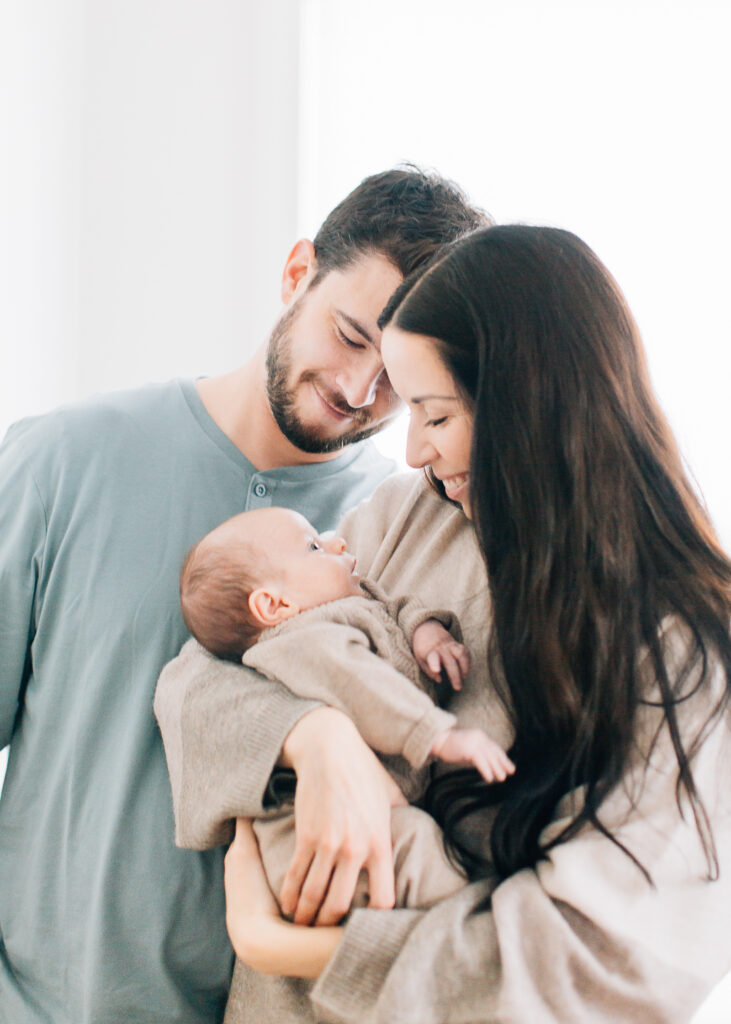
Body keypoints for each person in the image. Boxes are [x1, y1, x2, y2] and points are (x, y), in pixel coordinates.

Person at [162, 225, 731, 1022]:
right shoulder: (405, 520)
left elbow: (596, 966)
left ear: (525, 408)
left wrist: (284, 944)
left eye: (431, 413)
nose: (414, 451)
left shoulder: (678, 656)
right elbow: (202, 671)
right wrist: (313, 740)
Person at [0, 167, 490, 1024]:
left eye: (400, 374)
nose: (359, 390)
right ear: (297, 272)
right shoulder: (61, 462)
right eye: (347, 334)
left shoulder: (401, 531)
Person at [163, 504, 513, 905]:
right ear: (274, 606)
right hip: (305, 828)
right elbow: (362, 686)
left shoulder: (347, 603)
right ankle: (469, 931)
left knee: (416, 843)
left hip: (376, 804)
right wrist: (439, 736)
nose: (336, 540)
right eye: (313, 547)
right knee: (416, 850)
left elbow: (391, 608)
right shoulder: (304, 641)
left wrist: (426, 632)